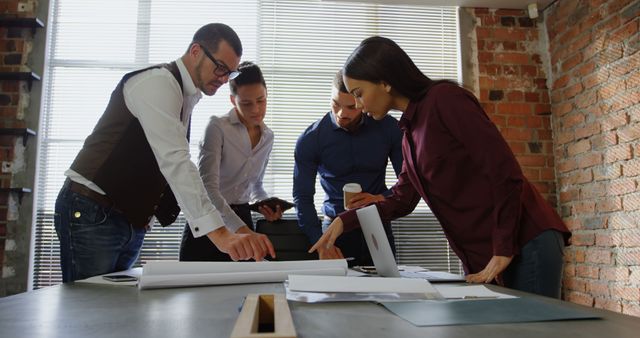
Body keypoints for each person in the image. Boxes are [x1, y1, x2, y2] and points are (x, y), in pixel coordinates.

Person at [310, 36, 571, 298]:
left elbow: (504, 171)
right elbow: (402, 200)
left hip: (525, 239)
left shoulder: (445, 100)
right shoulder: (409, 133)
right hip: (492, 249)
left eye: (359, 94)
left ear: (385, 82)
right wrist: (345, 220)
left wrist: (503, 247)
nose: (357, 105)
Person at [54, 23, 275, 282]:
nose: (225, 78)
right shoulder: (158, 84)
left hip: (130, 220)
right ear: (195, 51)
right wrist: (221, 234)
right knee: (90, 310)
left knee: (114, 310)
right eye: (220, 68)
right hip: (93, 209)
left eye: (230, 73)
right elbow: (177, 163)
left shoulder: (187, 96)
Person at [293, 70, 403, 266]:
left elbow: (408, 181)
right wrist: (319, 241)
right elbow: (302, 197)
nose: (342, 114)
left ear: (361, 103)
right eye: (335, 104)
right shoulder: (311, 138)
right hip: (334, 228)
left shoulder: (388, 128)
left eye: (351, 107)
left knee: (387, 291)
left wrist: (382, 198)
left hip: (377, 223)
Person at [180, 61, 283, 261]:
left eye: (261, 100)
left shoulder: (268, 136)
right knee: (193, 287)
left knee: (243, 288)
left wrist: (265, 204)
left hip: (242, 216)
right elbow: (208, 189)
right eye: (246, 103)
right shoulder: (217, 127)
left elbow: (255, 185)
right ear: (232, 100)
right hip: (210, 219)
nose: (256, 109)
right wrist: (243, 230)